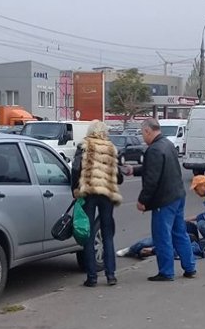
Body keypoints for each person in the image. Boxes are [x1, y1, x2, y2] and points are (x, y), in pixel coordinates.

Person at [128, 118, 196, 281]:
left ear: (147, 131)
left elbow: (152, 179)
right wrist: (134, 170)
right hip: (178, 196)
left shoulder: (154, 149)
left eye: (142, 133)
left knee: (162, 236)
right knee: (180, 233)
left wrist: (142, 200)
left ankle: (166, 272)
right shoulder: (168, 144)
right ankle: (190, 267)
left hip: (164, 200)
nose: (142, 137)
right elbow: (154, 168)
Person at [71, 121, 123, 286]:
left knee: (89, 233)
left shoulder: (84, 146)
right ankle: (111, 275)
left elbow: (75, 168)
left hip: (89, 192)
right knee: (107, 234)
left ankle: (92, 277)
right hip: (106, 194)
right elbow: (118, 175)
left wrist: (75, 188)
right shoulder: (110, 148)